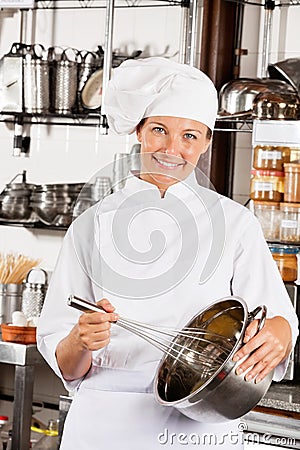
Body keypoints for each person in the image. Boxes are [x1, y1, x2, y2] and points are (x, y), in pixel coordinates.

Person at [37, 57, 298, 450]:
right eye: (160, 130)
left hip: (203, 424)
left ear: (208, 142)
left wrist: (279, 333)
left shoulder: (234, 223)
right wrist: (80, 338)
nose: (172, 149)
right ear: (140, 131)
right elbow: (66, 361)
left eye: (190, 136)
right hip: (106, 425)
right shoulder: (90, 226)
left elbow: (280, 324)